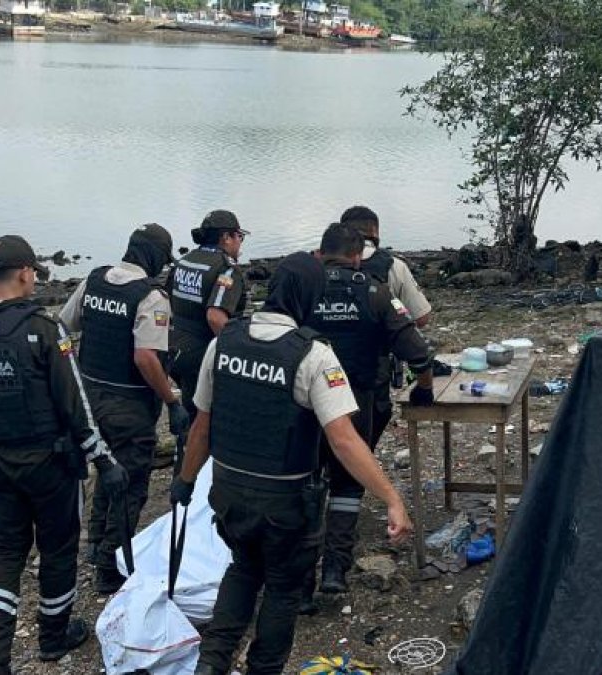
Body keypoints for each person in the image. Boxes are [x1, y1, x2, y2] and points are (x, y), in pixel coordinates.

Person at [169, 252, 414, 675]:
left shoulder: (223, 342)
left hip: (229, 493)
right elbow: (343, 440)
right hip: (285, 503)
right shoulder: (314, 355)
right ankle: (263, 668)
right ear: (309, 299)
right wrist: (391, 497)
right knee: (282, 588)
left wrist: (185, 481)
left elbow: (202, 428)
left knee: (243, 569)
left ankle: (211, 664)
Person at [0, 235, 110, 675]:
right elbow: (74, 402)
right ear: (26, 273)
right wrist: (101, 456)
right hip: (48, 462)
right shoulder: (44, 330)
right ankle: (54, 636)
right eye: (34, 272)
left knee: (6, 551)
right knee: (58, 547)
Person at [58, 223, 189, 595]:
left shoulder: (94, 281)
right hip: (128, 405)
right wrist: (171, 401)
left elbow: (63, 327)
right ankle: (111, 565)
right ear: (152, 258)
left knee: (105, 468)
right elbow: (146, 357)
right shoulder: (150, 298)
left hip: (87, 399)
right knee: (129, 482)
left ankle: (95, 542)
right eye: (162, 261)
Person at [306, 223, 435, 600]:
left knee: (307, 481)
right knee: (348, 484)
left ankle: (298, 581)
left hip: (305, 401)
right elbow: (418, 352)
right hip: (356, 398)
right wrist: (424, 390)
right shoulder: (375, 293)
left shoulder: (302, 291)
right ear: (358, 256)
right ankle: (334, 569)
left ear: (320, 253)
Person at [339, 206, 433, 450]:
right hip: (374, 368)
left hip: (326, 367)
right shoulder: (393, 265)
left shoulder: (321, 265)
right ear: (376, 232)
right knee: (366, 434)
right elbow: (422, 318)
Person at [166, 209, 250, 419]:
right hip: (203, 354)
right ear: (226, 237)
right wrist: (239, 354)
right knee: (208, 418)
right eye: (239, 236)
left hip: (173, 349)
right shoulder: (227, 269)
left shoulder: (183, 262)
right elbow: (215, 317)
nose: (240, 242)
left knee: (189, 412)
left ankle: (185, 447)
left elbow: (165, 300)